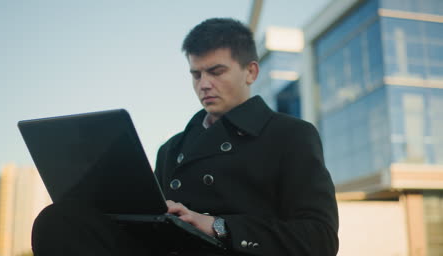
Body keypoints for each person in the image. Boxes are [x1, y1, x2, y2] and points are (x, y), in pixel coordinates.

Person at [32, 18, 339, 256]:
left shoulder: (290, 134)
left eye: (216, 71)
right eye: (196, 74)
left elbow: (319, 238)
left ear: (251, 72)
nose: (204, 84)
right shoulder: (172, 148)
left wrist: (217, 226)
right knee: (60, 219)